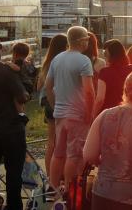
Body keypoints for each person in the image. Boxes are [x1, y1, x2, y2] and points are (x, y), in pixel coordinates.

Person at [83, 71, 132, 210]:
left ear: (125, 91)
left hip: (102, 192)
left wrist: (106, 162)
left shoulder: (104, 115)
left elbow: (89, 155)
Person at [0, 33, 30, 210]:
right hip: (11, 128)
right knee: (14, 173)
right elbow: (22, 96)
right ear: (1, 48)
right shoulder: (6, 71)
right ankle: (14, 205)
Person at [45, 26, 96, 196]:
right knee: (74, 155)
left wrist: (55, 105)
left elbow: (48, 86)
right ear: (81, 41)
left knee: (58, 153)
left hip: (60, 114)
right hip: (78, 114)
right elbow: (89, 91)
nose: (88, 42)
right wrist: (89, 113)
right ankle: (69, 190)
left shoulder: (57, 59)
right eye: (86, 39)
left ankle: (53, 188)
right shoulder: (83, 61)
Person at [39, 34, 68, 176]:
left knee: (51, 140)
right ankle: (60, 175)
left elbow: (39, 86)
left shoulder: (47, 62)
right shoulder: (64, 61)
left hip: (48, 104)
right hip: (60, 101)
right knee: (63, 141)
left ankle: (50, 175)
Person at [95, 40, 132, 114]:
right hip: (130, 112)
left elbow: (100, 99)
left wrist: (93, 115)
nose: (104, 56)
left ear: (111, 55)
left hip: (109, 113)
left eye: (105, 53)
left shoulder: (104, 72)